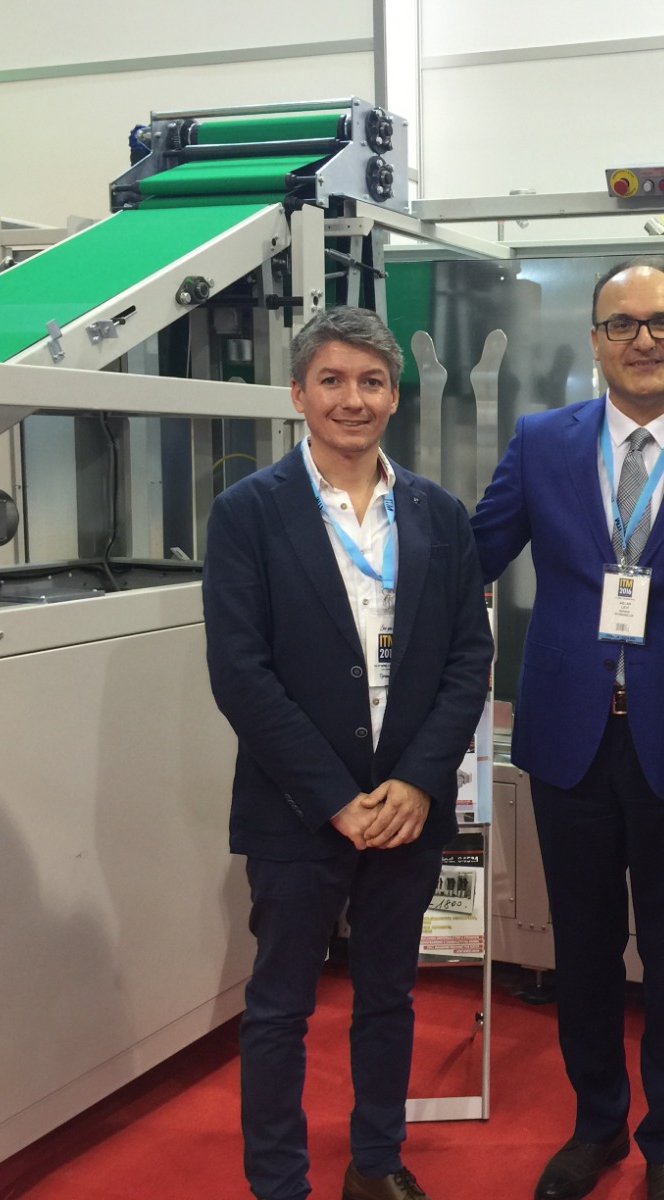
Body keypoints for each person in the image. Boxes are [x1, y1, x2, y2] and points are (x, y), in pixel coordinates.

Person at [472, 260, 664, 1200]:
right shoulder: (542, 442)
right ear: (595, 340)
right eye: (623, 324)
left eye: (663, 322)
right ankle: (597, 1124)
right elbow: (473, 553)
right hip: (568, 742)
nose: (644, 340)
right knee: (585, 948)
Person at [203, 306, 493, 1200]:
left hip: (408, 807)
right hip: (297, 809)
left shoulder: (440, 515)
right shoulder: (249, 513)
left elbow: (468, 659)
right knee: (280, 1007)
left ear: (395, 396)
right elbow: (241, 673)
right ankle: (279, 1182)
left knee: (389, 996)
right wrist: (335, 796)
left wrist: (418, 780)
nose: (353, 400)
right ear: (298, 393)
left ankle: (377, 1160)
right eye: (331, 381)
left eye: (371, 382)